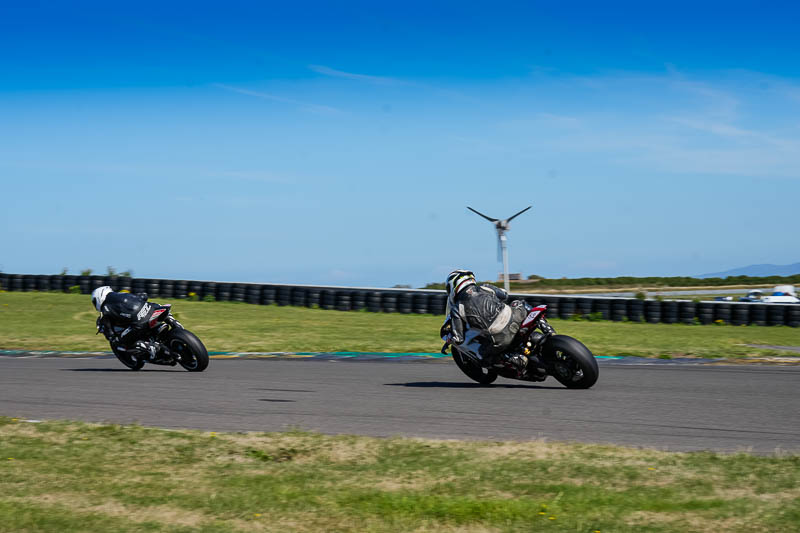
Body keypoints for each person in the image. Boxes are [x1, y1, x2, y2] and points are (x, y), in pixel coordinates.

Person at [440, 270, 528, 369]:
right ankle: (545, 327)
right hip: (515, 316)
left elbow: (459, 339)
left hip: (500, 335)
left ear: (454, 285)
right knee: (520, 304)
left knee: (481, 356)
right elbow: (504, 295)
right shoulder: (485, 287)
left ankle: (514, 359)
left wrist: (449, 340)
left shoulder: (457, 308)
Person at [91, 286, 159, 360]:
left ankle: (148, 348)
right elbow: (143, 296)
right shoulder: (123, 294)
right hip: (152, 309)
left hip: (139, 322)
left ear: (98, 297)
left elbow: (110, 334)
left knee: (120, 339)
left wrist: (112, 337)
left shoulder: (105, 309)